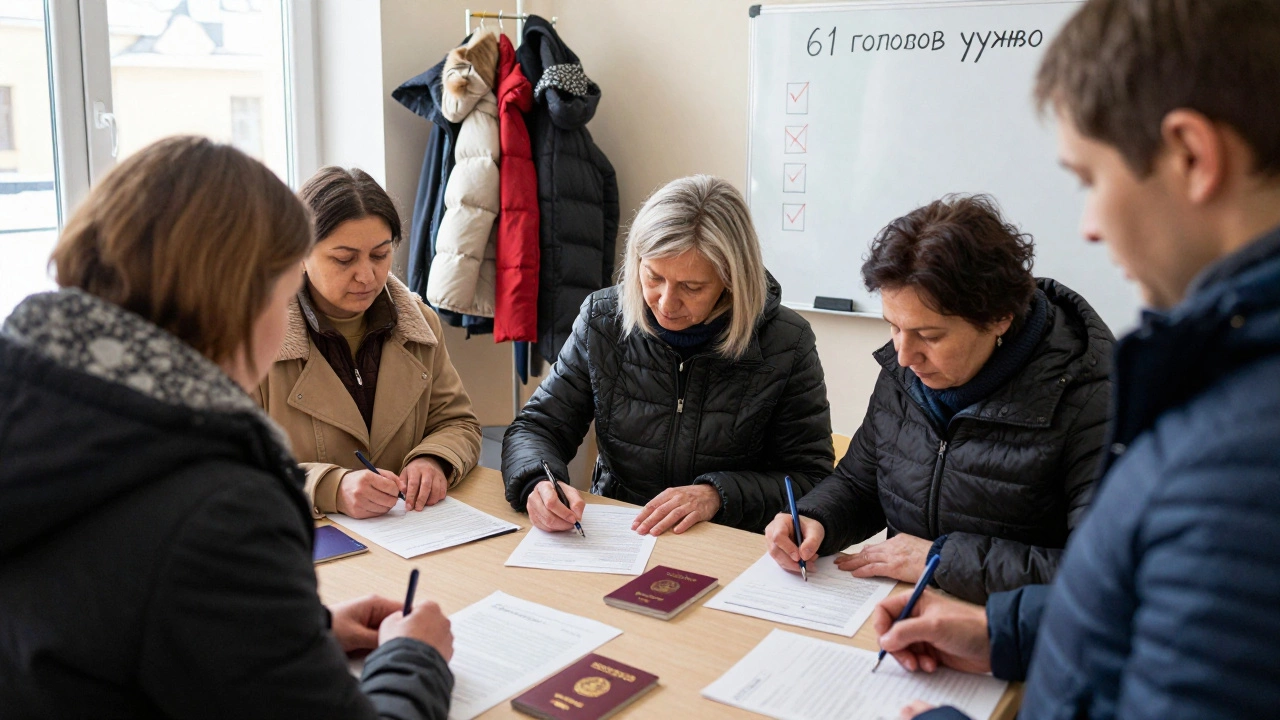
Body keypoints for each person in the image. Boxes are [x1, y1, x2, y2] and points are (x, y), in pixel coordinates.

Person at [868, 1, 1280, 718]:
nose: (1087, 226)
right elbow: (1141, 609)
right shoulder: (1218, 369)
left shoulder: (1242, 446)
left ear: (1191, 154)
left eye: (1089, 178)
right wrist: (1002, 629)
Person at [0, 137, 455, 717]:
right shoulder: (222, 506)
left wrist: (296, 631)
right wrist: (415, 659)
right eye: (289, 284)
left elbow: (101, 607)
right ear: (240, 298)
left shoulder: (36, 397)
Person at [764, 196, 1113, 603]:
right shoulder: (907, 371)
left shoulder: (1093, 398)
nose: (904, 356)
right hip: (906, 616)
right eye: (893, 326)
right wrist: (813, 518)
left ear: (1000, 316)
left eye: (930, 336)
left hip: (1014, 638)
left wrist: (941, 559)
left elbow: (1102, 575)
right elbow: (862, 483)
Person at [502, 175, 834, 535]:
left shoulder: (786, 342)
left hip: (728, 540)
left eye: (692, 287)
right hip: (619, 531)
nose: (665, 302)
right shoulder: (602, 318)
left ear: (731, 279)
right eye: (653, 276)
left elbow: (810, 478)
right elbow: (537, 426)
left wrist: (716, 495)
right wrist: (538, 481)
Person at [255, 167, 482, 519]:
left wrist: (434, 458)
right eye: (343, 259)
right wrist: (331, 488)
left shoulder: (420, 325)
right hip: (306, 543)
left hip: (409, 537)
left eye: (380, 255)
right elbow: (227, 466)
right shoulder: (253, 339)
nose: (367, 275)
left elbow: (458, 423)